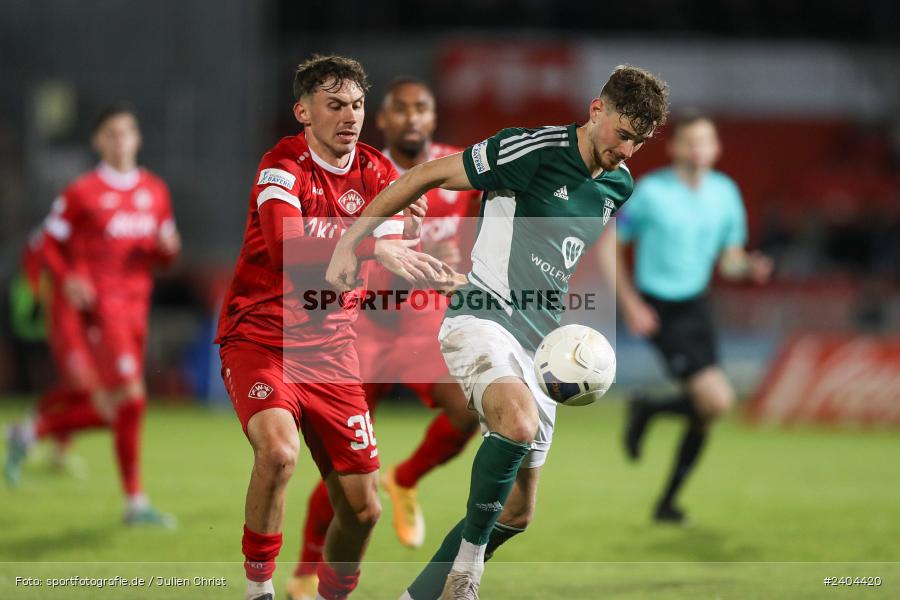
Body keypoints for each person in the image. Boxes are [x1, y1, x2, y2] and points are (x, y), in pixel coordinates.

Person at [327, 65, 670, 600]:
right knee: (516, 424)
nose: (628, 150)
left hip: (541, 345)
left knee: (517, 511)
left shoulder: (618, 184)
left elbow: (568, 244)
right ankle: (467, 575)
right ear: (596, 110)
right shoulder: (530, 150)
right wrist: (353, 240)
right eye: (623, 134)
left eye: (641, 142)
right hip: (482, 321)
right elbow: (425, 176)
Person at [215, 55, 446, 600]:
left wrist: (411, 246)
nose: (350, 116)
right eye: (335, 105)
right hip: (262, 339)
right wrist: (375, 242)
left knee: (363, 510)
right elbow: (286, 247)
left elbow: (395, 249)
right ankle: (258, 590)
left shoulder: (379, 174)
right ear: (303, 111)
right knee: (278, 452)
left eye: (358, 105)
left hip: (334, 352)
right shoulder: (282, 167)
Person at [287, 77, 481, 600]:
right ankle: (306, 570)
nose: (413, 118)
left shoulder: (458, 169)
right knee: (344, 466)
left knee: (471, 409)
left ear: (433, 118)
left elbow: (481, 224)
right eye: (402, 110)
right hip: (362, 323)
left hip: (422, 320)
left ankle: (407, 478)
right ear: (385, 120)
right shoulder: (360, 172)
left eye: (423, 108)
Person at [4, 103, 180, 527]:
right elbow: (47, 240)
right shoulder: (82, 192)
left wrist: (166, 250)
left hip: (137, 308)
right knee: (129, 400)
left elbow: (161, 254)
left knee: (113, 406)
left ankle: (29, 433)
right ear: (99, 141)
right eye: (112, 134)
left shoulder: (155, 191)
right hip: (104, 310)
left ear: (137, 138)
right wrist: (65, 278)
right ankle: (134, 502)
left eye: (128, 132)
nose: (121, 141)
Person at [597, 112, 772, 524]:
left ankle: (665, 496)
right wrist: (631, 303)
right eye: (690, 141)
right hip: (659, 307)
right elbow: (610, 245)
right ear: (674, 147)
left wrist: (747, 267)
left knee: (707, 412)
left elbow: (728, 260)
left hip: (697, 305)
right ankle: (649, 414)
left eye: (706, 142)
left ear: (716, 148)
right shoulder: (650, 193)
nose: (699, 149)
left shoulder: (725, 192)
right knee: (716, 399)